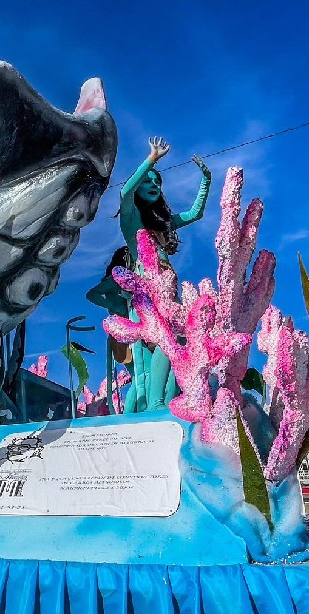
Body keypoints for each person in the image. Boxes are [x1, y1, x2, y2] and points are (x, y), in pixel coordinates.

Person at [117, 137, 211, 414]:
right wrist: (151, 161)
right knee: (151, 352)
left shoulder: (164, 225)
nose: (154, 186)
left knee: (172, 346)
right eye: (148, 182)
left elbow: (195, 213)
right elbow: (124, 193)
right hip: (144, 294)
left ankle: (164, 404)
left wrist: (206, 180)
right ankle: (153, 405)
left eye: (157, 182)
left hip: (168, 293)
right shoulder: (132, 221)